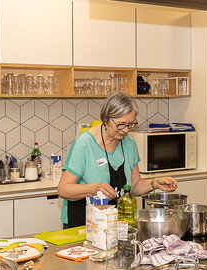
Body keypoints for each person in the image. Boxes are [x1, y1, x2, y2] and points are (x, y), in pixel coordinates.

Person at [57, 91, 177, 228]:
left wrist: (154, 183)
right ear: (106, 118)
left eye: (131, 124)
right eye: (121, 124)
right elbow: (63, 190)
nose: (126, 130)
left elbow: (134, 186)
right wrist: (94, 188)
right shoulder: (84, 144)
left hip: (114, 223)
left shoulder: (129, 143)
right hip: (83, 223)